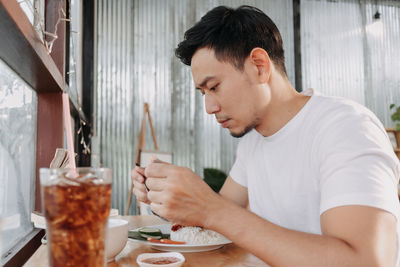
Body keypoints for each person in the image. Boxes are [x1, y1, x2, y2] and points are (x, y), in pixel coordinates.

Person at [132, 5, 400, 266]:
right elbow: (212, 221)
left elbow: (366, 260)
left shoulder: (347, 127)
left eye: (214, 87)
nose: (209, 108)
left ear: (259, 66)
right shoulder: (254, 141)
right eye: (204, 93)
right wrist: (162, 194)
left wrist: (211, 208)